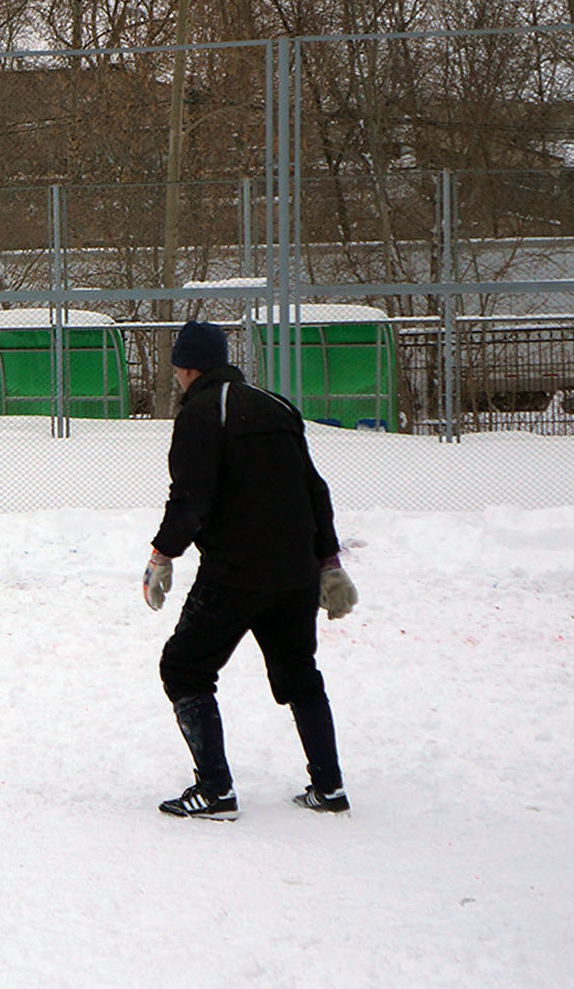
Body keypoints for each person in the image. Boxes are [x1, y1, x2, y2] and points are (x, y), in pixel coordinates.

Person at [143, 321, 360, 820]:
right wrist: (328, 563)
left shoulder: (201, 412)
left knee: (184, 668)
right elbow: (315, 491)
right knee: (300, 673)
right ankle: (329, 787)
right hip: (295, 572)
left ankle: (215, 791)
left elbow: (191, 499)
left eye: (177, 367)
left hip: (235, 573)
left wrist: (162, 554)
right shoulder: (277, 406)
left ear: (188, 367)